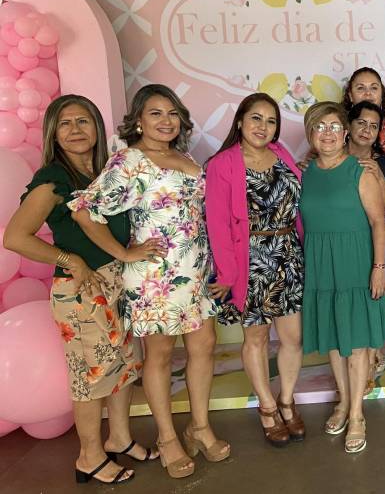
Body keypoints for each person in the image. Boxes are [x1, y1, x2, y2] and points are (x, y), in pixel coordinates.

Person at [68, 84, 229, 478]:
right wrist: (124, 253)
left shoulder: (184, 157)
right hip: (156, 278)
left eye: (172, 113)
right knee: (160, 355)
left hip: (196, 270)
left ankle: (199, 427)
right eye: (156, 113)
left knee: (204, 345)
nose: (166, 121)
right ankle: (168, 438)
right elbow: (84, 210)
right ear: (138, 120)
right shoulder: (129, 161)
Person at [3, 95, 159, 485]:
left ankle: (119, 438)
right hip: (81, 290)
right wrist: (70, 260)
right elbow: (15, 237)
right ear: (53, 133)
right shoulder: (54, 180)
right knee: (91, 377)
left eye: (83, 121)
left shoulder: (106, 172)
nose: (75, 130)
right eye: (66, 123)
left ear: (97, 128)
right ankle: (89, 456)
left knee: (123, 367)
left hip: (116, 282)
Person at [205, 93, 305, 447]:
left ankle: (287, 400)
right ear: (240, 122)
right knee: (257, 338)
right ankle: (267, 407)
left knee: (293, 337)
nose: (263, 127)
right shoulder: (222, 164)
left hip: (288, 254)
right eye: (256, 118)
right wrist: (227, 275)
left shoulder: (281, 153)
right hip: (251, 261)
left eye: (271, 121)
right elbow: (217, 223)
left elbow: (296, 198)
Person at [299, 102, 385, 453]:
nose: (328, 133)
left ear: (345, 133)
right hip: (321, 265)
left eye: (335, 126)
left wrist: (378, 268)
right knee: (336, 341)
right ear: (311, 132)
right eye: (320, 126)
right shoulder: (305, 173)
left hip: (356, 262)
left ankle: (356, 415)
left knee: (357, 344)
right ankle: (342, 401)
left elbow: (378, 222)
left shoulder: (359, 171)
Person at [346, 101, 385, 391]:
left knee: (371, 302)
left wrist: (377, 175)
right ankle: (358, 363)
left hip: (375, 242)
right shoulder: (332, 158)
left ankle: (367, 365)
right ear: (349, 125)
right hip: (342, 243)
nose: (367, 130)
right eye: (361, 123)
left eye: (374, 126)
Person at [342, 67, 385, 151]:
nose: (368, 93)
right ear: (350, 96)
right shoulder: (339, 126)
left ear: (382, 94)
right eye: (360, 88)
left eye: (374, 88)